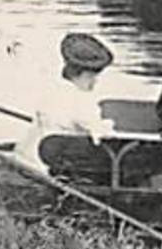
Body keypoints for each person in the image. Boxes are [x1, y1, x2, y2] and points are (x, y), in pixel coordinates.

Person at [15, 32, 113, 172]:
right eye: (92, 77)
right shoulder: (81, 101)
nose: (95, 82)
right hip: (56, 160)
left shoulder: (52, 91)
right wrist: (107, 126)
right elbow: (100, 133)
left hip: (34, 155)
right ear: (84, 74)